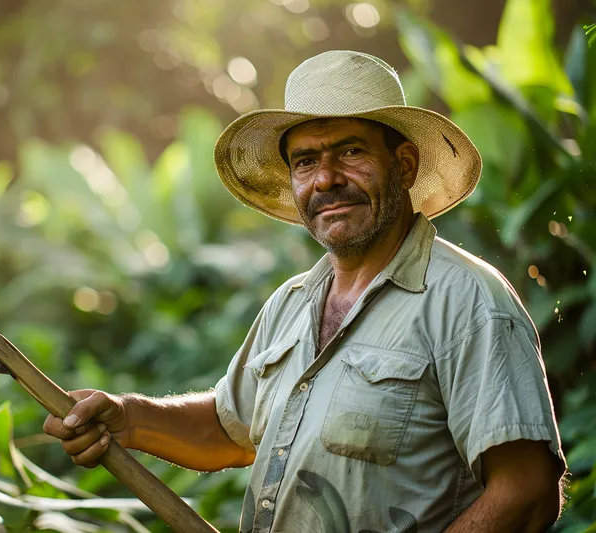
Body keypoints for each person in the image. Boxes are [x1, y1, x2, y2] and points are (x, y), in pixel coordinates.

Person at [43, 50, 567, 532]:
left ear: (404, 165)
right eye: (305, 161)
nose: (325, 179)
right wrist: (130, 417)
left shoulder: (467, 301)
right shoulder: (292, 303)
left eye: (350, 151)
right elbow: (231, 430)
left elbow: (528, 492)